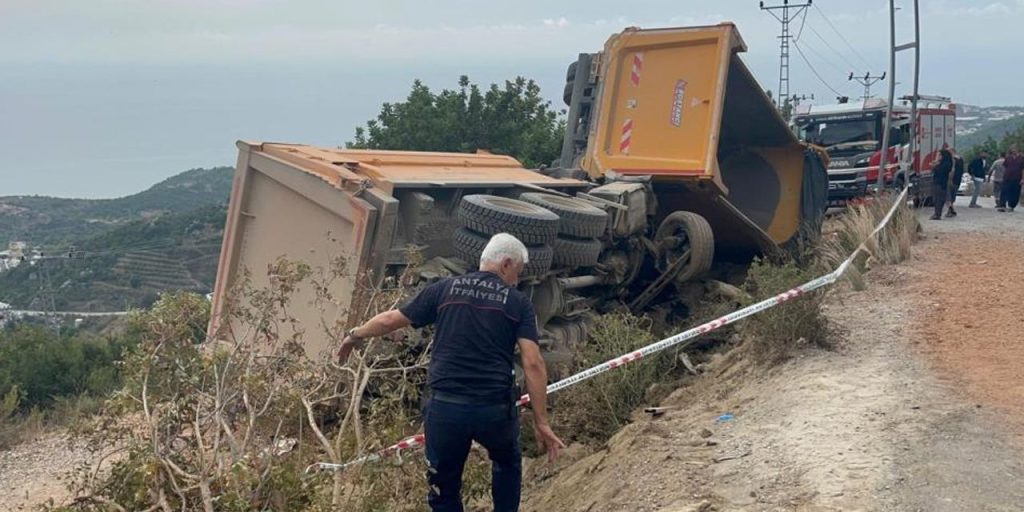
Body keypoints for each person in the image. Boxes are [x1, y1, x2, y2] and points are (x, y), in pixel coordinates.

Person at [338, 233, 564, 512]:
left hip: (445, 409)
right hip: (493, 410)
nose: (517, 281)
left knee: (443, 490)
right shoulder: (517, 303)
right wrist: (541, 421)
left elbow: (389, 320)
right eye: (517, 272)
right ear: (506, 264)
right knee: (507, 463)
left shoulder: (444, 289)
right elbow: (533, 363)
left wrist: (355, 335)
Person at [930, 148, 953, 220]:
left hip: (940, 183)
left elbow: (939, 171)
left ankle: (937, 214)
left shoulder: (946, 164)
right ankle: (937, 213)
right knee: (937, 199)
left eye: (940, 155)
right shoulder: (943, 163)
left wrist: (935, 165)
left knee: (938, 200)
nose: (938, 157)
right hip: (939, 183)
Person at [999, 146, 1024, 212]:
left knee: (1015, 192)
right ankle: (1002, 205)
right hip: (1007, 177)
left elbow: (1023, 169)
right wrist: (1003, 175)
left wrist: (1022, 179)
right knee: (1004, 191)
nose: (1013, 151)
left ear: (1018, 150)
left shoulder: (1022, 158)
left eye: (1015, 149)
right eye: (1012, 150)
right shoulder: (1008, 158)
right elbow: (1005, 167)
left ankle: (1011, 205)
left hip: (1017, 177)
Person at [946, 152, 965, 217]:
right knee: (952, 196)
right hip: (957, 181)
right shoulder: (961, 160)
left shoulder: (952, 160)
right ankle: (952, 209)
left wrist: (950, 180)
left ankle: (950, 209)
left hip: (951, 181)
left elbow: (952, 171)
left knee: (948, 196)